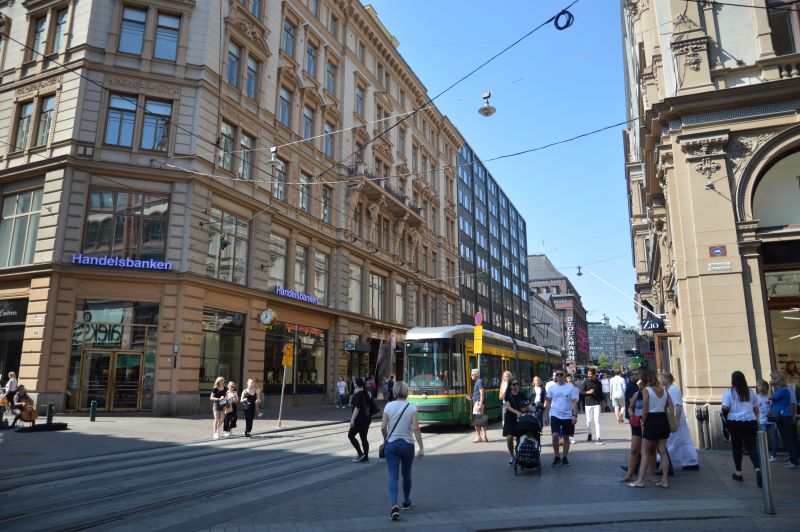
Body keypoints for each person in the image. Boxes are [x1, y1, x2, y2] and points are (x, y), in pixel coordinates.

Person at [381, 381, 424, 521]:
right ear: (406, 392)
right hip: (407, 445)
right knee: (406, 474)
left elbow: (383, 427)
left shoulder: (388, 406)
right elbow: (416, 429)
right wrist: (421, 447)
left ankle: (394, 506)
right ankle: (406, 501)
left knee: (393, 476)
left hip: (391, 445)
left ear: (394, 391)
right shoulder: (412, 407)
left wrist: (385, 439)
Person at [628, 369, 672, 488]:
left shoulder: (647, 390)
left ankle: (640, 480)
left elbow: (645, 408)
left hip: (651, 421)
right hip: (663, 420)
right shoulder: (664, 390)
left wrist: (643, 422)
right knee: (663, 451)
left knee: (645, 451)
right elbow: (670, 406)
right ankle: (664, 480)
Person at [722, 371, 762, 485]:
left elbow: (725, 407)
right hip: (750, 421)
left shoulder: (729, 392)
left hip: (735, 422)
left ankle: (738, 472)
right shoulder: (750, 392)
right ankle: (757, 468)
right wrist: (756, 419)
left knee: (737, 447)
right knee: (751, 447)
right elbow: (756, 408)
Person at [662, 372, 699, 471]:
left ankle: (665, 461)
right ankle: (690, 461)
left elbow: (678, 406)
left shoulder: (673, 390)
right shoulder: (669, 389)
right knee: (681, 441)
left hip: (675, 419)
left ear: (667, 379)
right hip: (674, 419)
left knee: (674, 441)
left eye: (662, 378)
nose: (661, 380)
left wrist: (676, 421)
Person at [544, 369, 579, 467]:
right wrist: (546, 415)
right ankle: (556, 456)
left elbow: (574, 402)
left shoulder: (570, 387)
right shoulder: (552, 388)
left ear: (565, 375)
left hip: (567, 415)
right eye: (557, 374)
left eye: (561, 374)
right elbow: (548, 402)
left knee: (566, 437)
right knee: (555, 435)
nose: (559, 376)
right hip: (555, 414)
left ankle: (564, 458)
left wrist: (574, 415)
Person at [770, 371, 799, 469]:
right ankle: (793, 459)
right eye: (772, 378)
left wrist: (794, 414)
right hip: (782, 417)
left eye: (774, 378)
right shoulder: (780, 390)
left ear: (780, 380)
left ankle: (794, 461)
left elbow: (771, 397)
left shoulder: (784, 390)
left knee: (788, 440)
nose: (772, 380)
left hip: (785, 417)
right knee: (788, 439)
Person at [619, 379, 646, 482]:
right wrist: (631, 414)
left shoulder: (653, 394)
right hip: (637, 424)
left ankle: (651, 476)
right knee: (634, 450)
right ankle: (629, 474)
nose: (641, 387)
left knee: (649, 451)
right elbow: (630, 406)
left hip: (648, 424)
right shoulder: (637, 394)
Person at [504, 379, 533, 464]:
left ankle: (519, 455)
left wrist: (528, 409)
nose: (516, 385)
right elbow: (508, 407)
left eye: (517, 384)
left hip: (521, 418)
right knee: (509, 438)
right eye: (514, 384)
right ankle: (512, 456)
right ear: (510, 386)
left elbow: (528, 405)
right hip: (510, 418)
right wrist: (517, 412)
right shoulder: (508, 395)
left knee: (519, 438)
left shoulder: (522, 395)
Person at [349, 377, 373, 462]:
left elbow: (357, 408)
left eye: (354, 382)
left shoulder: (358, 395)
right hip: (367, 418)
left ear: (356, 384)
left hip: (359, 419)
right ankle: (365, 457)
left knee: (350, 435)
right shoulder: (366, 393)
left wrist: (352, 420)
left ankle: (360, 453)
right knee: (364, 438)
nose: (353, 383)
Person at [755, 379, 777, 462]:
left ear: (764, 386)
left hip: (772, 420)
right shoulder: (757, 397)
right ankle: (763, 454)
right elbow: (756, 409)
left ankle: (774, 455)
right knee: (762, 438)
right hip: (762, 420)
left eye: (758, 386)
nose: (757, 387)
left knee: (774, 438)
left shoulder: (770, 394)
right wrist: (757, 419)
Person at [582, 369, 605, 445]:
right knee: (589, 421)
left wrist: (603, 404)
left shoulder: (599, 383)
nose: (589, 375)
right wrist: (588, 392)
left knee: (597, 421)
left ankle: (598, 438)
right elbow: (581, 392)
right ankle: (589, 433)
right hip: (588, 404)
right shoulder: (586, 382)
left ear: (595, 375)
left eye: (590, 374)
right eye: (588, 374)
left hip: (596, 403)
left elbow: (601, 394)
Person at [470, 368, 488, 443]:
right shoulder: (478, 382)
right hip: (477, 401)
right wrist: (471, 398)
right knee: (480, 419)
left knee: (476, 420)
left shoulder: (479, 381)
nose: (471, 376)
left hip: (478, 403)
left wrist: (480, 403)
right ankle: (484, 436)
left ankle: (479, 437)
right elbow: (478, 393)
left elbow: (481, 393)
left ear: (476, 375)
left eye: (472, 375)